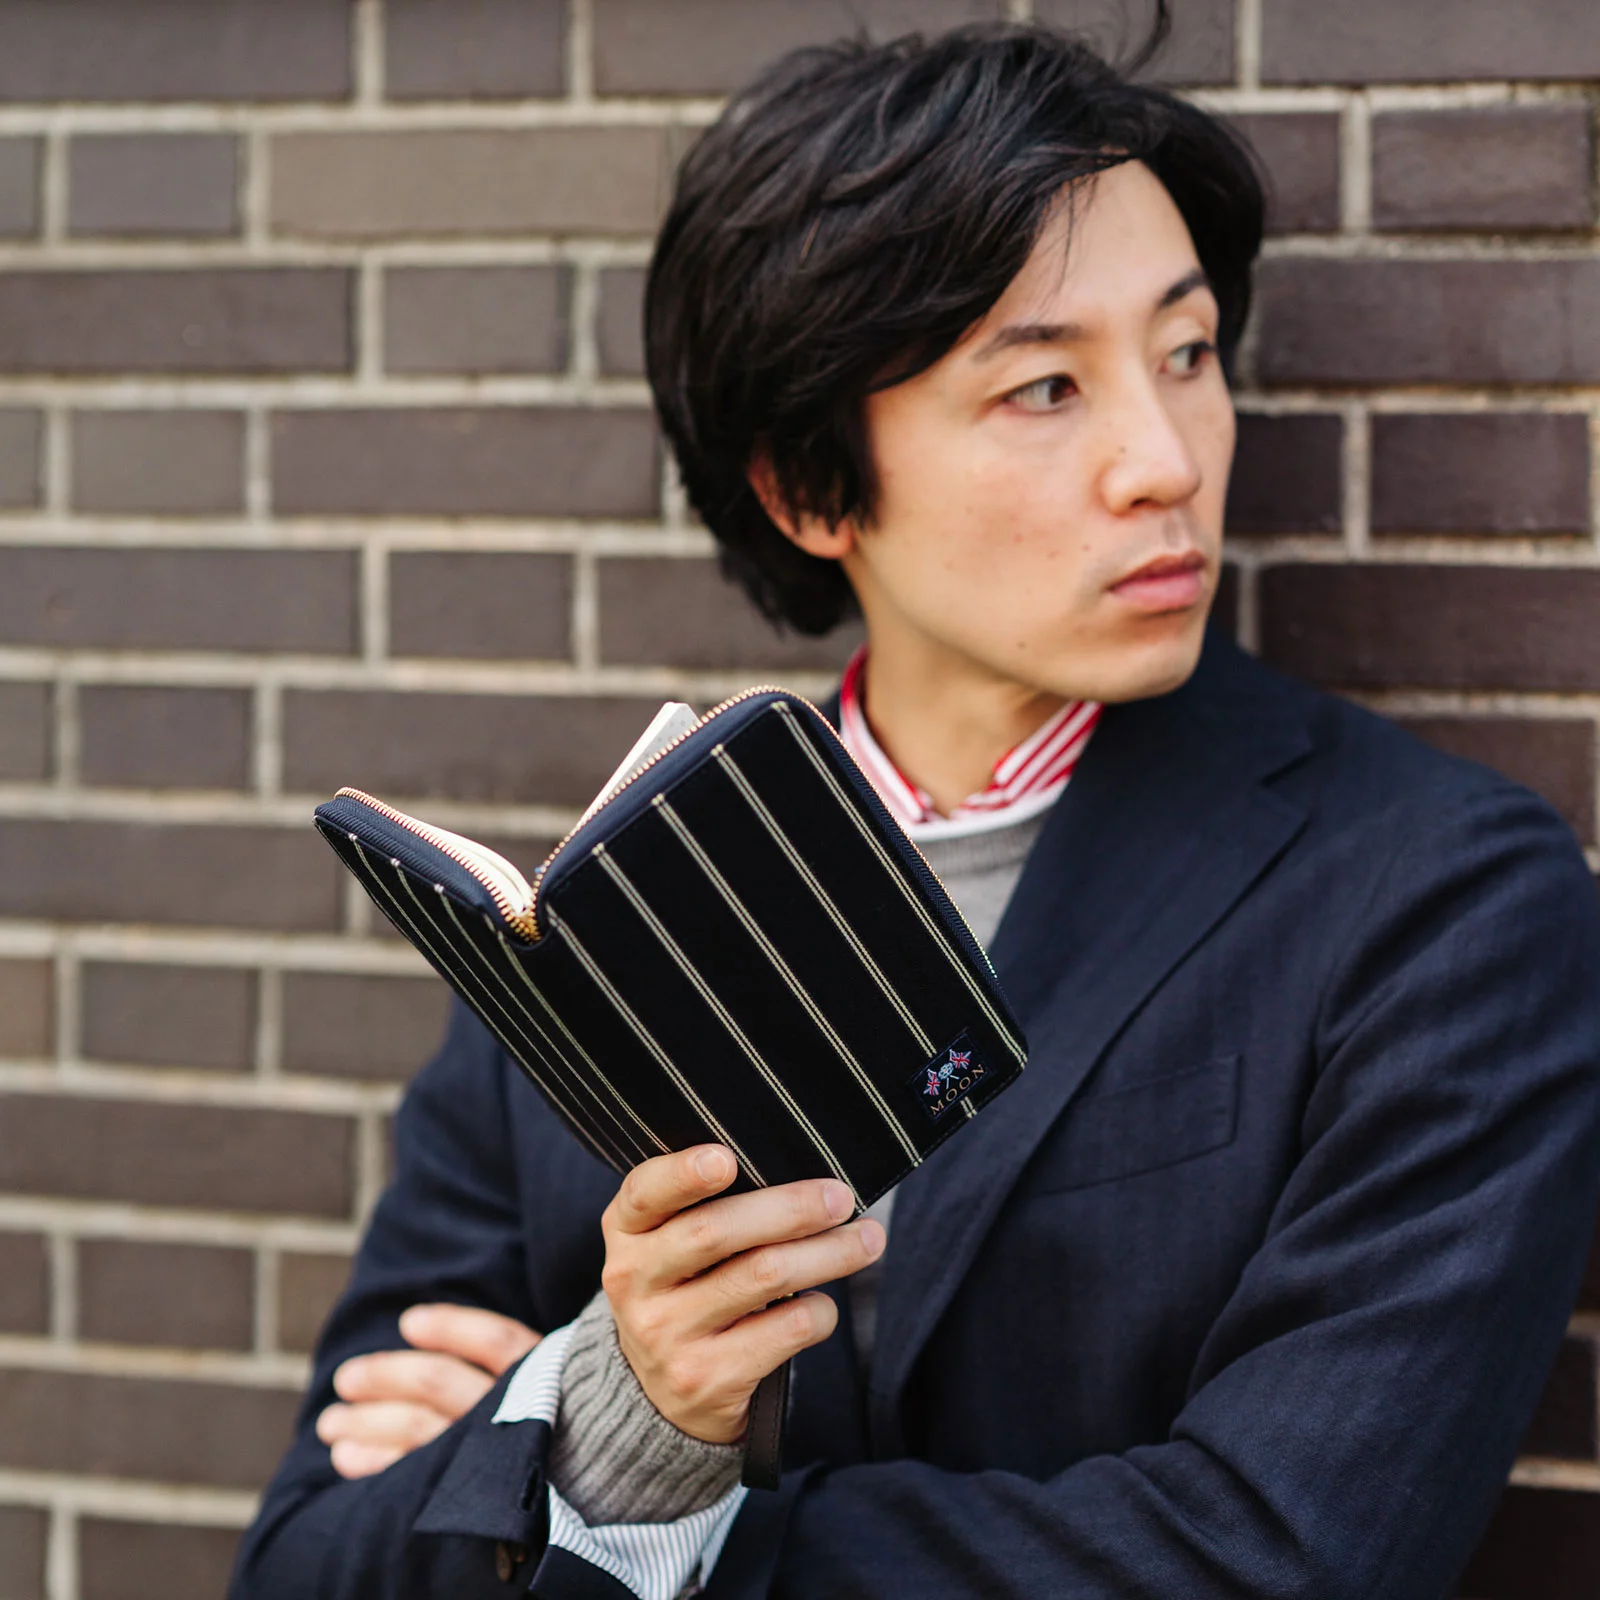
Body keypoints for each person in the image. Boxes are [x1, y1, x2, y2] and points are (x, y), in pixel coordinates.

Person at [231, 18, 1600, 1599]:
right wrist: (599, 1407)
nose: (1165, 461)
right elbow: (302, 1568)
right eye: (1045, 387)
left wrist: (601, 1490)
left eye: (1189, 353)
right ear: (810, 488)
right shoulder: (594, 941)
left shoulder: (1440, 903)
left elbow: (1280, 1560)